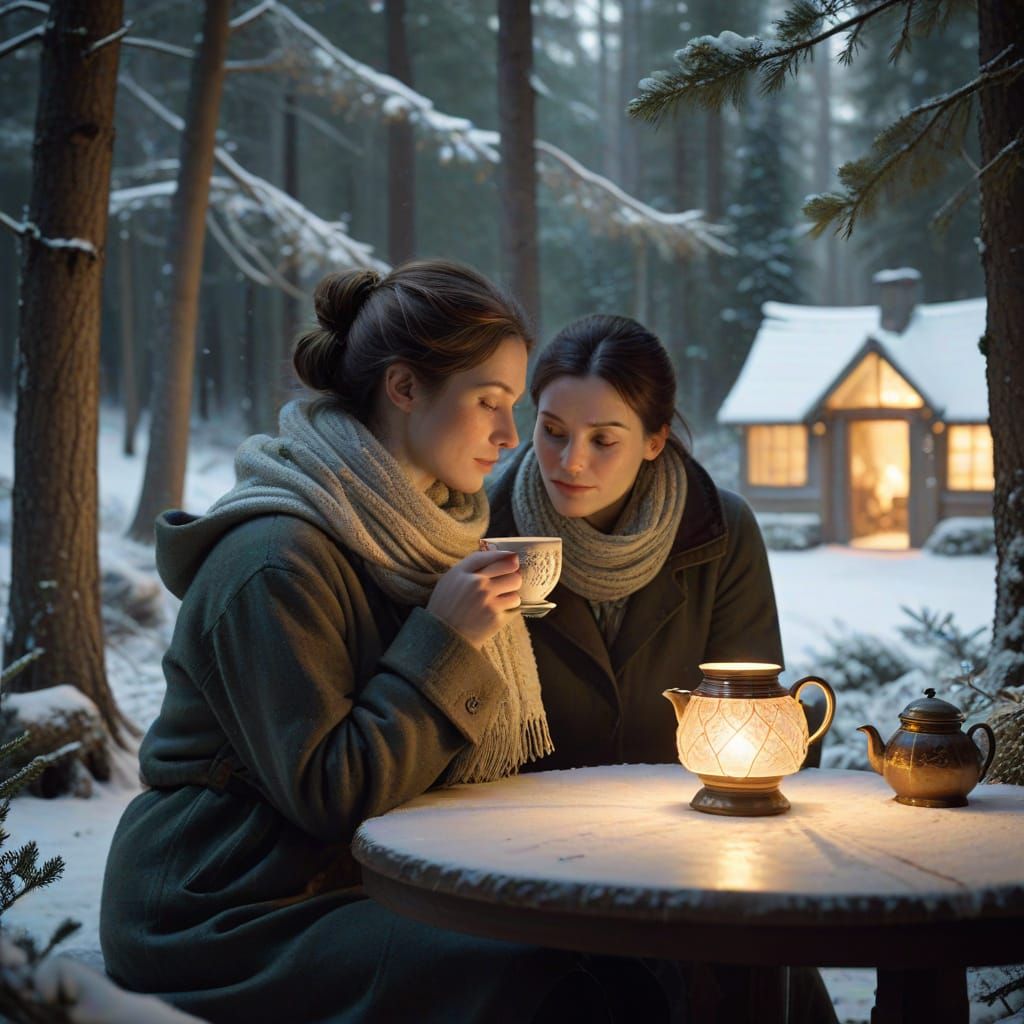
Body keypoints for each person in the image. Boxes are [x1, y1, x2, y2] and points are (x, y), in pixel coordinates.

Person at [100, 263, 685, 1024]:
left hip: (358, 879)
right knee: (543, 982)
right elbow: (330, 795)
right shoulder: (276, 559)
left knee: (644, 956)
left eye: (513, 407)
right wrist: (443, 639)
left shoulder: (423, 534)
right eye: (490, 403)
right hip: (225, 906)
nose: (510, 436)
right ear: (405, 388)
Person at [487, 313, 837, 1023]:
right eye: (551, 430)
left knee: (743, 974)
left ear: (654, 440)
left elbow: (758, 712)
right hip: (526, 853)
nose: (569, 461)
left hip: (694, 848)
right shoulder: (484, 524)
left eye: (602, 439)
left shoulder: (719, 530)